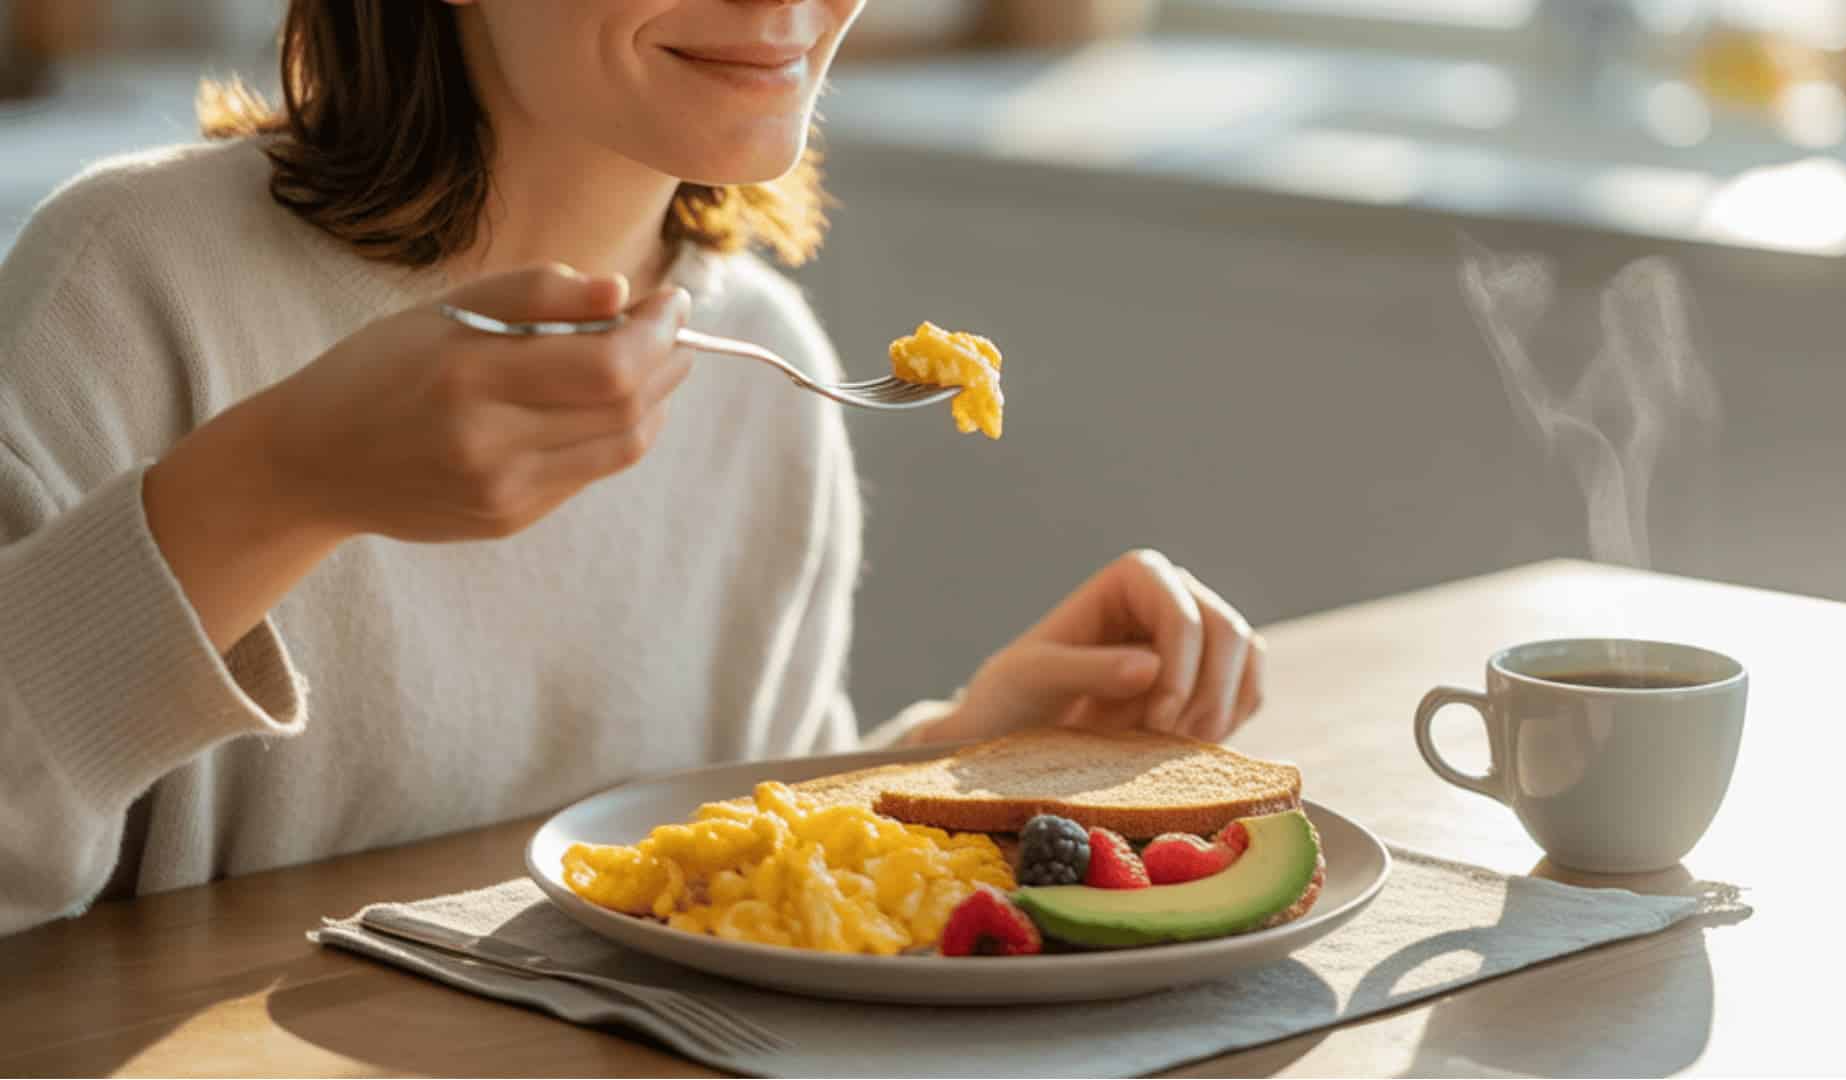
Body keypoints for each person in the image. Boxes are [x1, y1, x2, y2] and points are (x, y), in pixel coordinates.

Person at [0, 0, 1266, 937]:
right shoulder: (127, 284)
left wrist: (945, 765)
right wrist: (275, 485)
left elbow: (709, 888)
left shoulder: (768, 365)